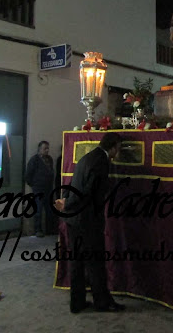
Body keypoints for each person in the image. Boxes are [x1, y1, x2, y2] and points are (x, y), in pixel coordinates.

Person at [55, 132, 125, 313]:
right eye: (119, 148)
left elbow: (73, 183)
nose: (118, 152)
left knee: (76, 262)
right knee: (95, 263)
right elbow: (88, 191)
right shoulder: (101, 162)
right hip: (87, 220)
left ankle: (76, 303)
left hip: (73, 219)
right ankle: (102, 302)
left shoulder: (87, 157)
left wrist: (65, 201)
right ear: (114, 146)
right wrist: (69, 202)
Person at [26, 141, 55, 237]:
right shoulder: (34, 160)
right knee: (38, 209)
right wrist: (35, 185)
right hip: (38, 189)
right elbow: (28, 175)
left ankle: (50, 229)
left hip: (48, 188)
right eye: (45, 148)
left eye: (47, 148)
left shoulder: (49, 159)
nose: (47, 150)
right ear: (39, 149)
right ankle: (38, 229)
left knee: (49, 209)